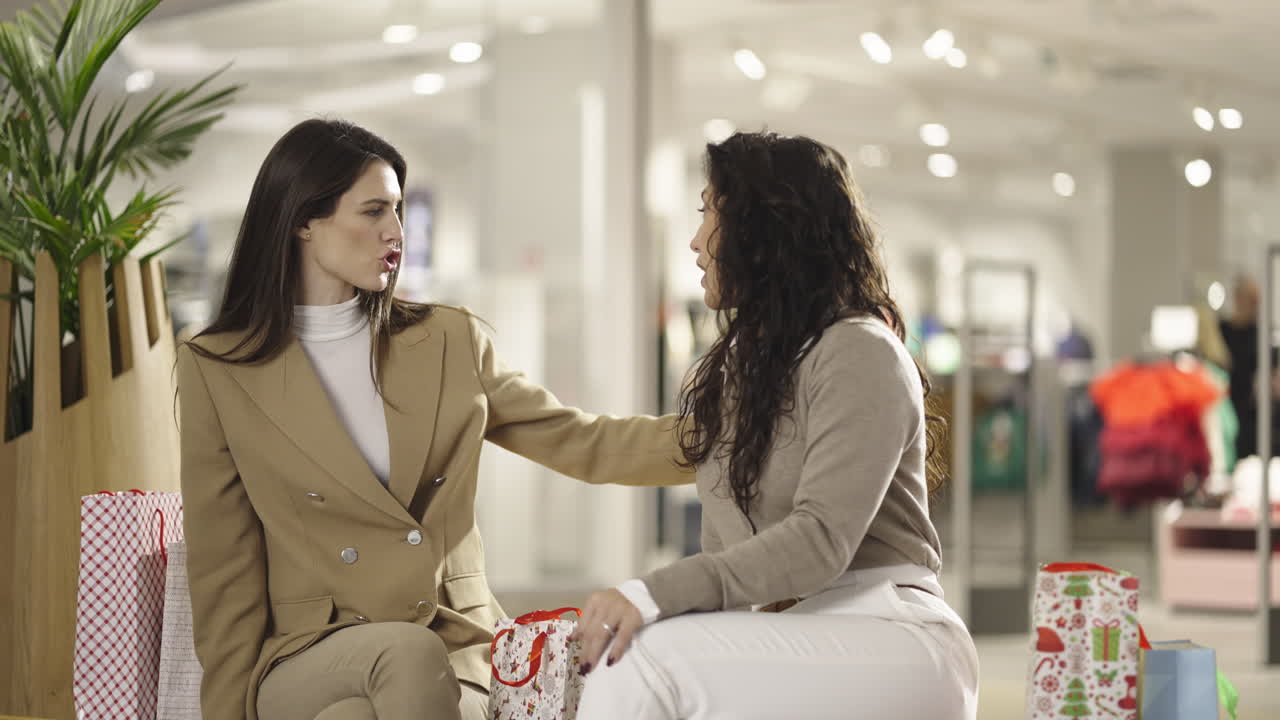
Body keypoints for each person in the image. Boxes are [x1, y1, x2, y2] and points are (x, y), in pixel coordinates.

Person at [175, 118, 692, 720]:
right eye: (373, 212)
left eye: (397, 210)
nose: (396, 231)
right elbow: (225, 569)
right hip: (306, 656)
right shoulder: (219, 368)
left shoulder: (447, 339)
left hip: (452, 644)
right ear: (303, 221)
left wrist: (739, 437)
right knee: (401, 658)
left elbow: (582, 441)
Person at [570, 131, 980, 720]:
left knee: (643, 663)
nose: (695, 241)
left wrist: (652, 594)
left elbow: (820, 541)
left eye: (709, 213)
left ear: (766, 232)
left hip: (893, 631)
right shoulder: (735, 376)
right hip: (790, 635)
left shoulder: (860, 352)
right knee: (634, 653)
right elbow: (727, 556)